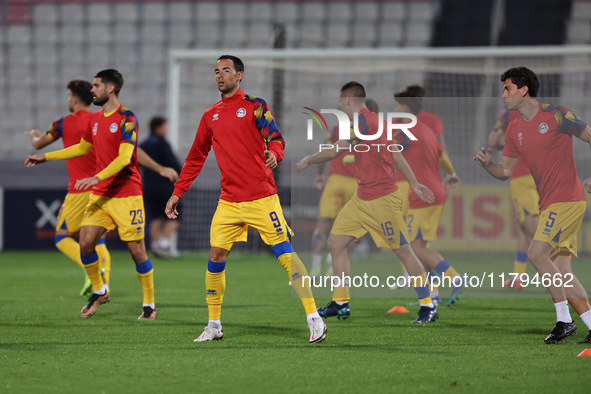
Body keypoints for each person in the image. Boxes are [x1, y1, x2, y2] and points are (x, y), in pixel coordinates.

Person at [165, 55, 326, 343]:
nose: (219, 75)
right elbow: (195, 157)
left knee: (285, 255)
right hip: (228, 201)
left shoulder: (255, 106)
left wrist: (274, 154)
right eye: (216, 71)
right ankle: (214, 325)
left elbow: (276, 138)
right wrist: (178, 191)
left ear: (239, 75)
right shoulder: (210, 115)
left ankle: (314, 318)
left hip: (261, 197)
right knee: (215, 256)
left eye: (225, 70)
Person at [295, 81, 439, 324]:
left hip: (382, 200)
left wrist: (309, 159)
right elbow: (396, 153)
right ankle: (341, 303)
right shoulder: (377, 122)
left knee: (404, 252)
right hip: (361, 199)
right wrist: (414, 183)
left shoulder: (363, 123)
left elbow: (334, 151)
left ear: (347, 99)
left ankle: (428, 304)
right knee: (335, 243)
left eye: (341, 102)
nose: (340, 105)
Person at [25, 69, 157, 320]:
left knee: (137, 252)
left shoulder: (127, 118)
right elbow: (82, 147)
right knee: (85, 243)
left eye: (96, 86)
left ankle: (149, 304)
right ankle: (99, 291)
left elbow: (125, 157)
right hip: (100, 195)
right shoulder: (95, 119)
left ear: (110, 89)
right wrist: (46, 156)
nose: (92, 90)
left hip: (127, 194)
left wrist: (98, 176)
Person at [474, 66, 591, 344]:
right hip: (550, 202)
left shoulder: (557, 114)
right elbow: (504, 171)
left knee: (536, 253)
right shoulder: (514, 128)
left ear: (524, 90)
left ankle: (565, 320)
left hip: (568, 200)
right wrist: (488, 164)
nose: (503, 95)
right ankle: (574, 321)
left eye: (508, 89)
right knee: (562, 272)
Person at [394, 87, 464, 307]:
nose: (395, 109)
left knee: (416, 247)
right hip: (432, 193)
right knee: (419, 245)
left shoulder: (406, 131)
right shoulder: (427, 131)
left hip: (424, 195)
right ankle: (432, 297)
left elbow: (389, 150)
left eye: (397, 106)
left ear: (405, 108)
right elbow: (443, 157)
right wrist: (451, 175)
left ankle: (455, 278)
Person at [310, 99, 380, 277]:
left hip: (335, 181)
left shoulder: (338, 128)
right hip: (356, 184)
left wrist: (319, 174)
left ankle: (315, 266)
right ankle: (334, 266)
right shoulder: (373, 130)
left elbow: (326, 149)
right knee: (350, 229)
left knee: (323, 224)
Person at [488, 109, 539, 289]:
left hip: (521, 176)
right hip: (540, 173)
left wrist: (509, 146)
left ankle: (559, 269)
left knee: (531, 227)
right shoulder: (541, 112)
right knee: (523, 227)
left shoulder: (507, 115)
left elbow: (492, 141)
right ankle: (518, 277)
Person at [140, 116, 183, 258]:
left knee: (156, 215)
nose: (166, 130)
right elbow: (173, 163)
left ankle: (155, 245)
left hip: (149, 187)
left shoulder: (144, 144)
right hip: (165, 186)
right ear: (158, 127)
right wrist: (184, 179)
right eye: (165, 127)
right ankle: (164, 244)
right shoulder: (162, 143)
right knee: (176, 211)